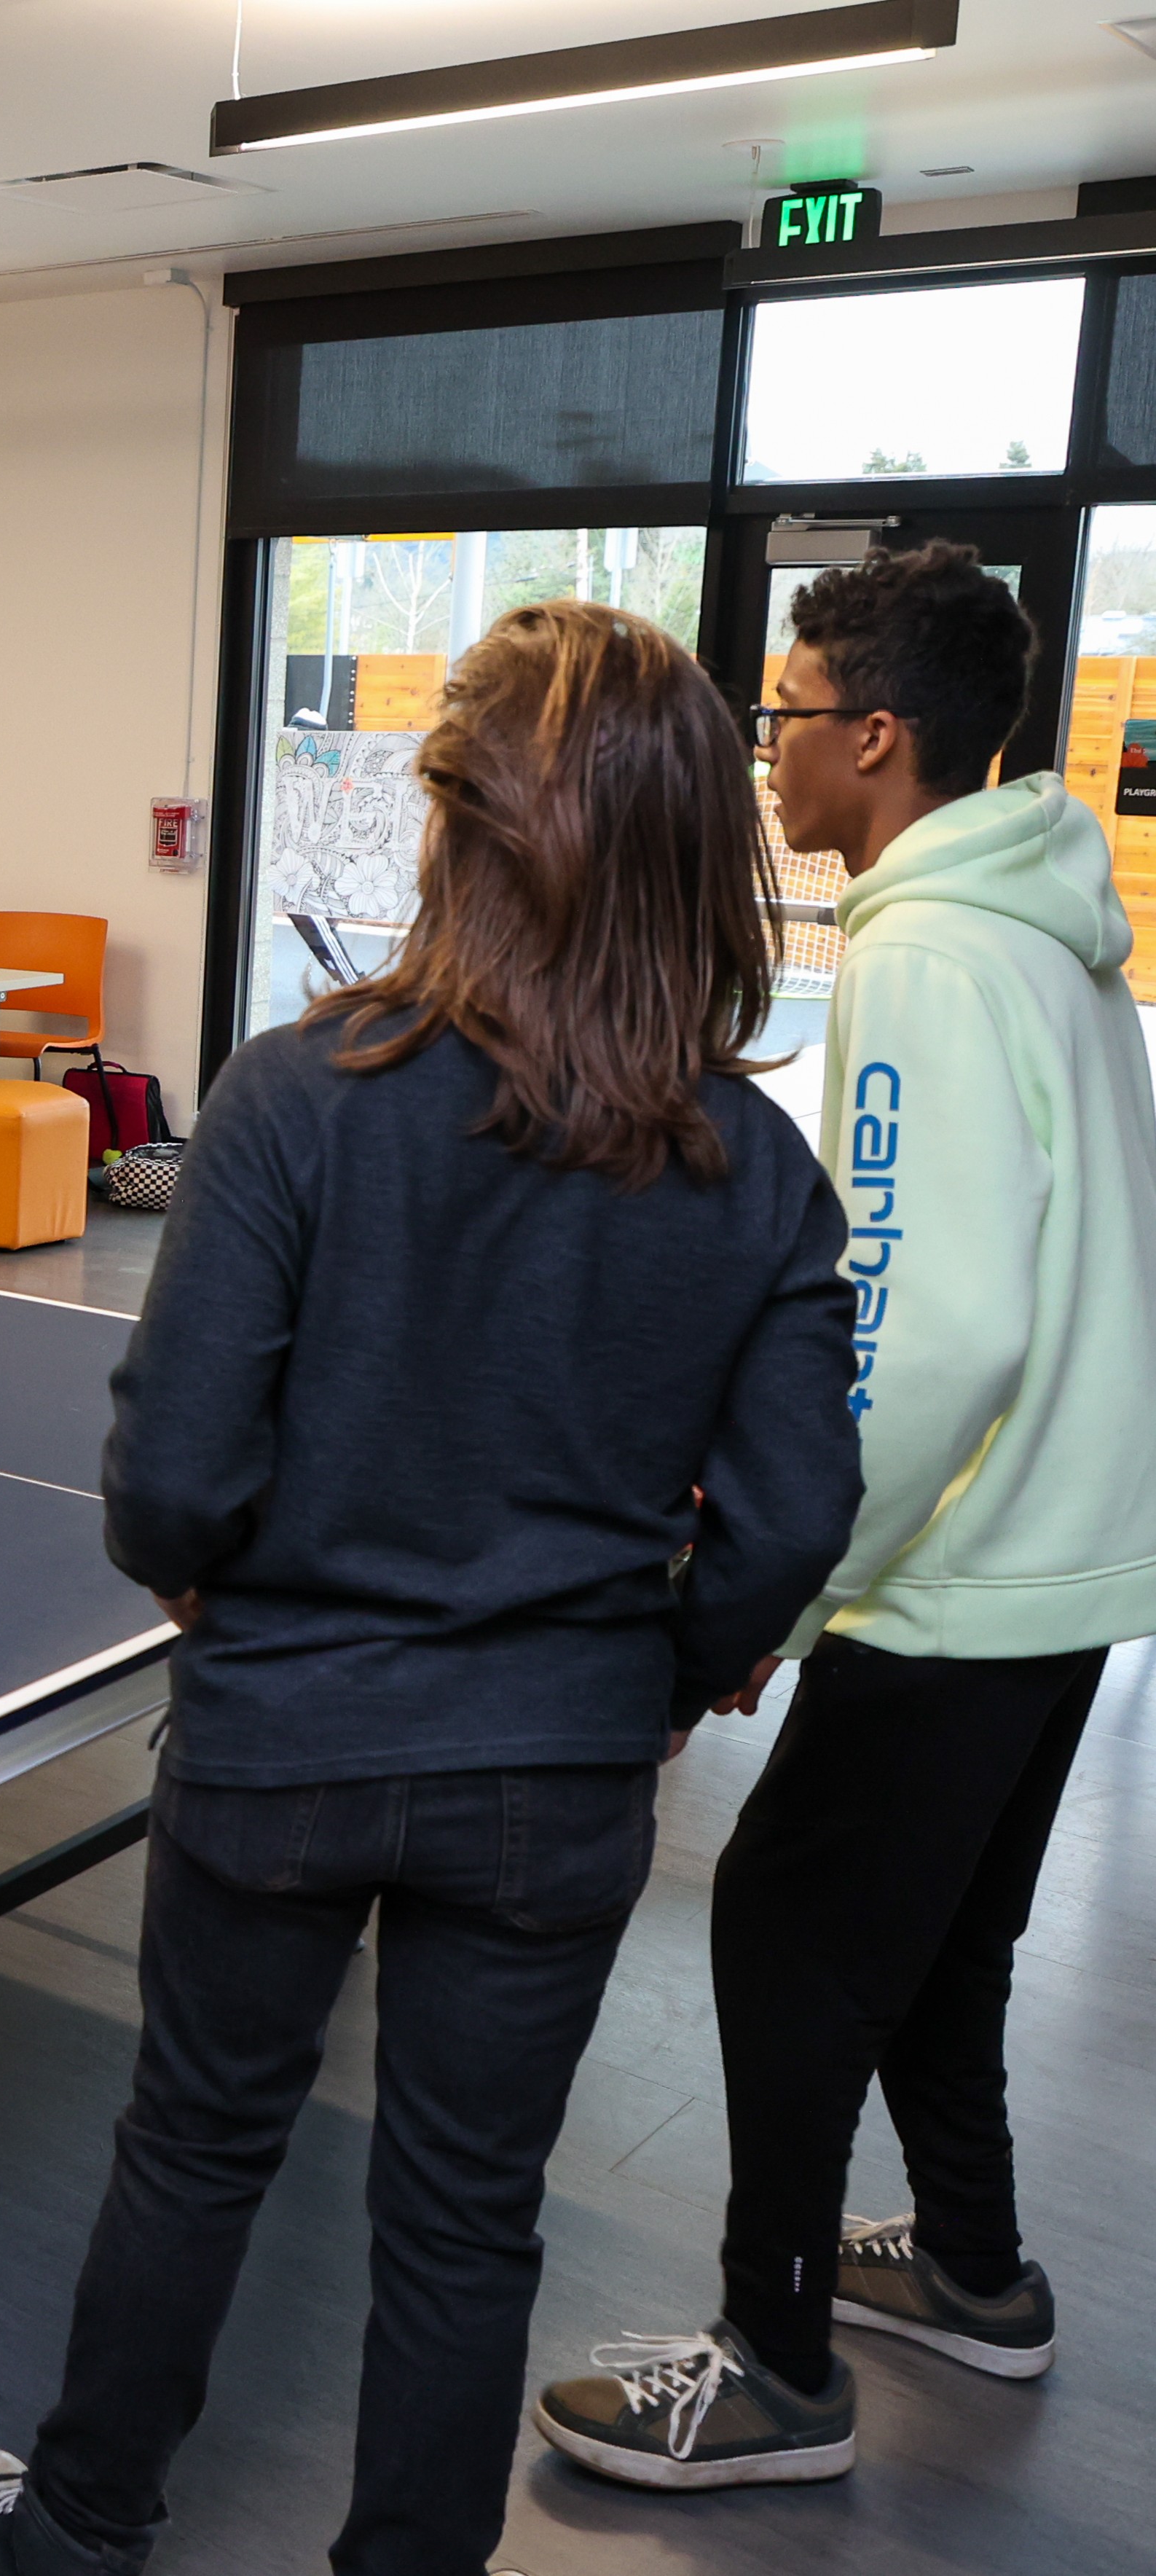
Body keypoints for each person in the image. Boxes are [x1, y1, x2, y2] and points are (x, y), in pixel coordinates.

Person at [0, 601, 864, 2576]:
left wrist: (208, 1583)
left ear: (451, 828)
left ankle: (77, 2523)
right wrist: (663, 1668)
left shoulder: (288, 1096)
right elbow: (790, 1524)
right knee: (467, 2212)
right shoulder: (756, 1169)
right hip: (554, 1769)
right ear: (694, 857)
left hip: (278, 1734)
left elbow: (170, 1475)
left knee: (194, 2146)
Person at [538, 544, 1156, 2489]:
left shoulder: (918, 949)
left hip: (952, 1577)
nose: (757, 760)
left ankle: (774, 2355)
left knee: (785, 1929)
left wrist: (758, 1603)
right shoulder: (1046, 933)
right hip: (1065, 1560)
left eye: (778, 720)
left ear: (871, 736)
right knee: (940, 1936)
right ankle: (969, 2265)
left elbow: (921, 1329)